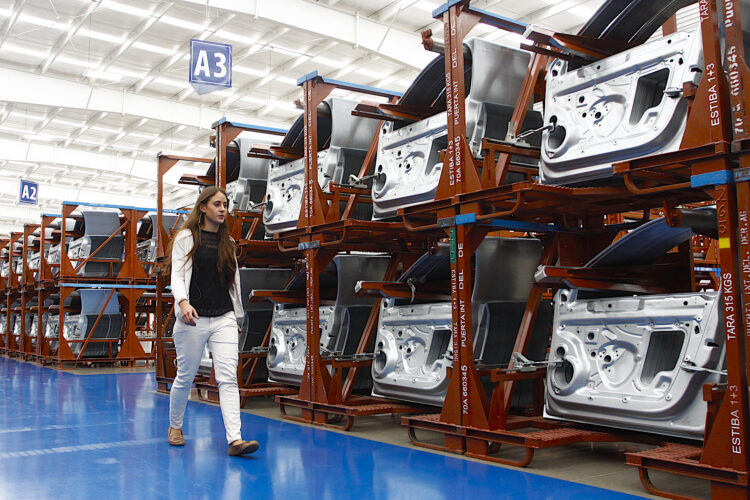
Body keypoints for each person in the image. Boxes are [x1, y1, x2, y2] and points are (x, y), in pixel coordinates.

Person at [165, 185, 259, 456]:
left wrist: (237, 317)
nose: (223, 209)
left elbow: (233, 283)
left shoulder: (228, 244)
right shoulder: (185, 237)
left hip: (223, 317)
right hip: (192, 318)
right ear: (203, 207)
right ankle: (175, 426)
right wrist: (182, 302)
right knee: (185, 376)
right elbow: (177, 276)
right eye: (217, 204)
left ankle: (235, 440)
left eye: (226, 205)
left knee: (228, 378)